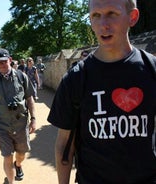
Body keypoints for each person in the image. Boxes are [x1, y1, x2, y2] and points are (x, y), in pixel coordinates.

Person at [47, 0, 156, 183]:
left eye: (112, 14)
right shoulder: (75, 79)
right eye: (96, 16)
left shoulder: (151, 70)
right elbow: (64, 144)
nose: (103, 25)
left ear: (133, 17)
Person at [0, 48, 37, 184]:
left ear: (10, 60)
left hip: (20, 124)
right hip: (2, 126)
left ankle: (18, 165)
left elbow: (30, 99)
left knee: (21, 154)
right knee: (7, 156)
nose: (2, 65)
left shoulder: (21, 77)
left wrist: (34, 119)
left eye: (4, 61)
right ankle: (10, 181)